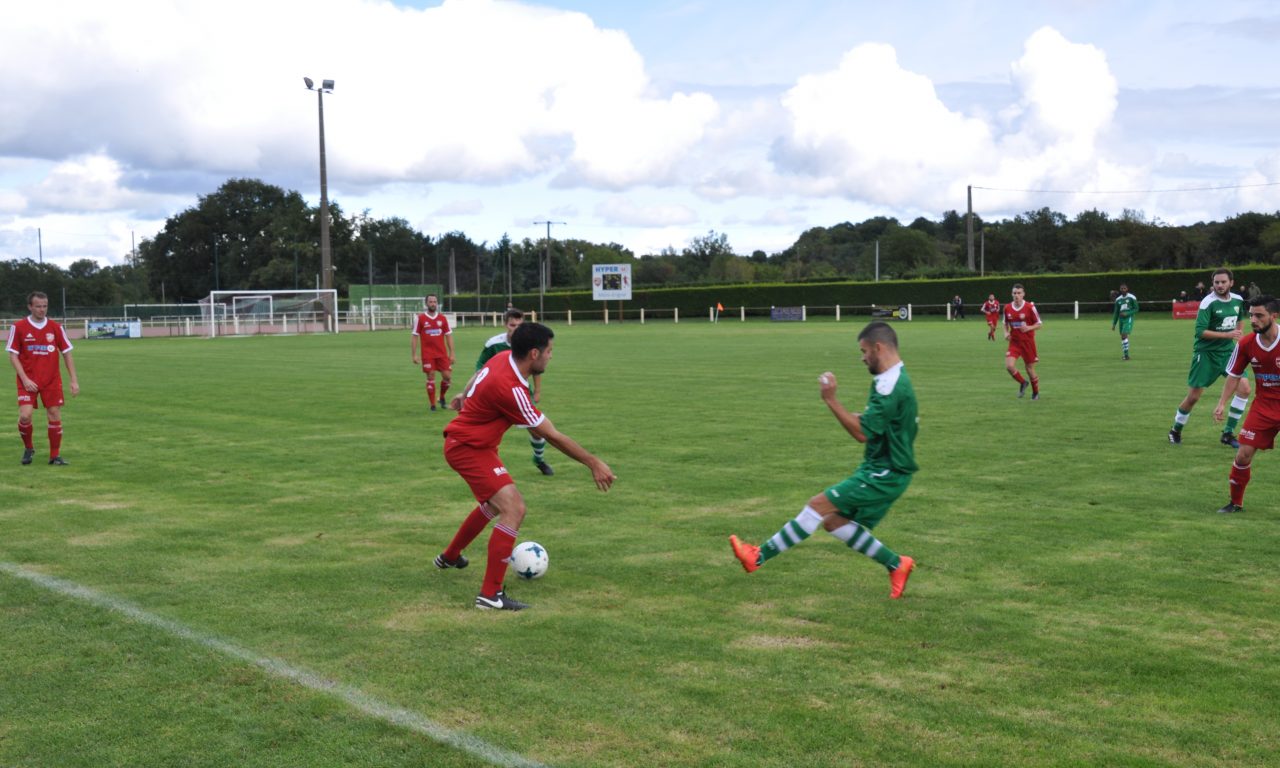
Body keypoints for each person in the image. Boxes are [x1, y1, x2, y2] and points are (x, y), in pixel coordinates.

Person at [729, 321, 917, 599]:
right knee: (833, 521)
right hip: (882, 467)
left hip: (886, 472)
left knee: (817, 506)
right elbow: (879, 423)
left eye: (865, 351)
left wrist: (831, 400)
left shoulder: (891, 385)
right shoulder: (892, 378)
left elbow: (862, 433)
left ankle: (757, 556)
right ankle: (896, 564)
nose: (863, 357)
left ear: (879, 348)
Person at [435, 322, 615, 611]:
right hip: (467, 448)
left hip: (476, 445)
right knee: (514, 508)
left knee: (494, 504)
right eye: (549, 351)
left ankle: (450, 556)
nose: (551, 356)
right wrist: (592, 462)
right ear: (534, 353)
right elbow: (552, 435)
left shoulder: (502, 358)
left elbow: (478, 375)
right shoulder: (511, 388)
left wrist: (464, 395)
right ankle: (490, 595)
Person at [460, 307, 555, 476]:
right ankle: (484, 460)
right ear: (505, 324)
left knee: (537, 430)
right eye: (512, 325)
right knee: (490, 429)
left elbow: (536, 368)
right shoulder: (494, 344)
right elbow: (480, 370)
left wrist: (537, 391)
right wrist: (466, 393)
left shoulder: (530, 343)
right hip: (498, 393)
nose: (516, 328)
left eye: (519, 325)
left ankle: (539, 459)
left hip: (520, 392)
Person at [1212, 296, 1280, 513]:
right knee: (1243, 454)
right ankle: (1235, 503)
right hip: (1264, 406)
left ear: (1274, 316)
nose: (1253, 320)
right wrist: (1222, 403)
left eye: (1259, 315)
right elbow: (1234, 375)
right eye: (1251, 315)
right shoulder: (1246, 343)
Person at [1169, 269, 1250, 447]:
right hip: (1206, 353)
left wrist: (1239, 334)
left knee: (1244, 389)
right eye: (1216, 282)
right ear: (1212, 284)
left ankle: (1228, 433)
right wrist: (1228, 335)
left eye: (1223, 282)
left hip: (1228, 352)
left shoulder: (1237, 300)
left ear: (1231, 283)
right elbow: (1200, 332)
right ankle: (1175, 429)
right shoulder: (1208, 302)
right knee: (1194, 397)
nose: (1220, 285)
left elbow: (1239, 318)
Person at [7, 291, 79, 465]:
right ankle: (29, 448)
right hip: (28, 380)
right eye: (38, 306)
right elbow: (13, 356)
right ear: (30, 307)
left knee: (54, 414)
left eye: (45, 306)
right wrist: (25, 379)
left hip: (51, 380)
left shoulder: (55, 327)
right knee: (25, 416)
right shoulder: (19, 327)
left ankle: (54, 456)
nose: (42, 309)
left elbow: (67, 353)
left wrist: (73, 380)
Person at [411, 294, 454, 412]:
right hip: (427, 354)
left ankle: (442, 397)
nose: (433, 304)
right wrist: (414, 354)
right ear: (426, 303)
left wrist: (452, 353)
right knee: (430, 376)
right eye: (430, 302)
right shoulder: (420, 318)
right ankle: (433, 405)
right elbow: (414, 336)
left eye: (435, 301)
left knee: (447, 377)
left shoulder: (442, 318)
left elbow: (448, 335)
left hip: (442, 354)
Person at [1003, 284, 1043, 400]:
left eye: (1019, 293)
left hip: (1027, 342)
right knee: (1009, 366)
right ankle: (1023, 382)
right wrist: (1006, 333)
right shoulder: (1007, 308)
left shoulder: (1030, 307)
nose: (1017, 295)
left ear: (1023, 294)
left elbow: (1039, 324)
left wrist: (1029, 328)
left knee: (1029, 369)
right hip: (1014, 342)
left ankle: (1035, 393)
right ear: (1012, 294)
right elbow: (1005, 323)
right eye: (1014, 293)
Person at [1111, 283, 1139, 360]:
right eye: (1122, 288)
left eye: (1124, 288)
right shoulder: (1118, 300)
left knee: (1124, 335)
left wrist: (1127, 313)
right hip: (1121, 319)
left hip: (1128, 318)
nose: (1123, 290)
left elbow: (1136, 309)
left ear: (1127, 289)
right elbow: (1116, 313)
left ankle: (1126, 356)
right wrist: (1114, 324)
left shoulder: (1132, 297)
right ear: (1120, 289)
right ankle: (1125, 355)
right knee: (1122, 337)